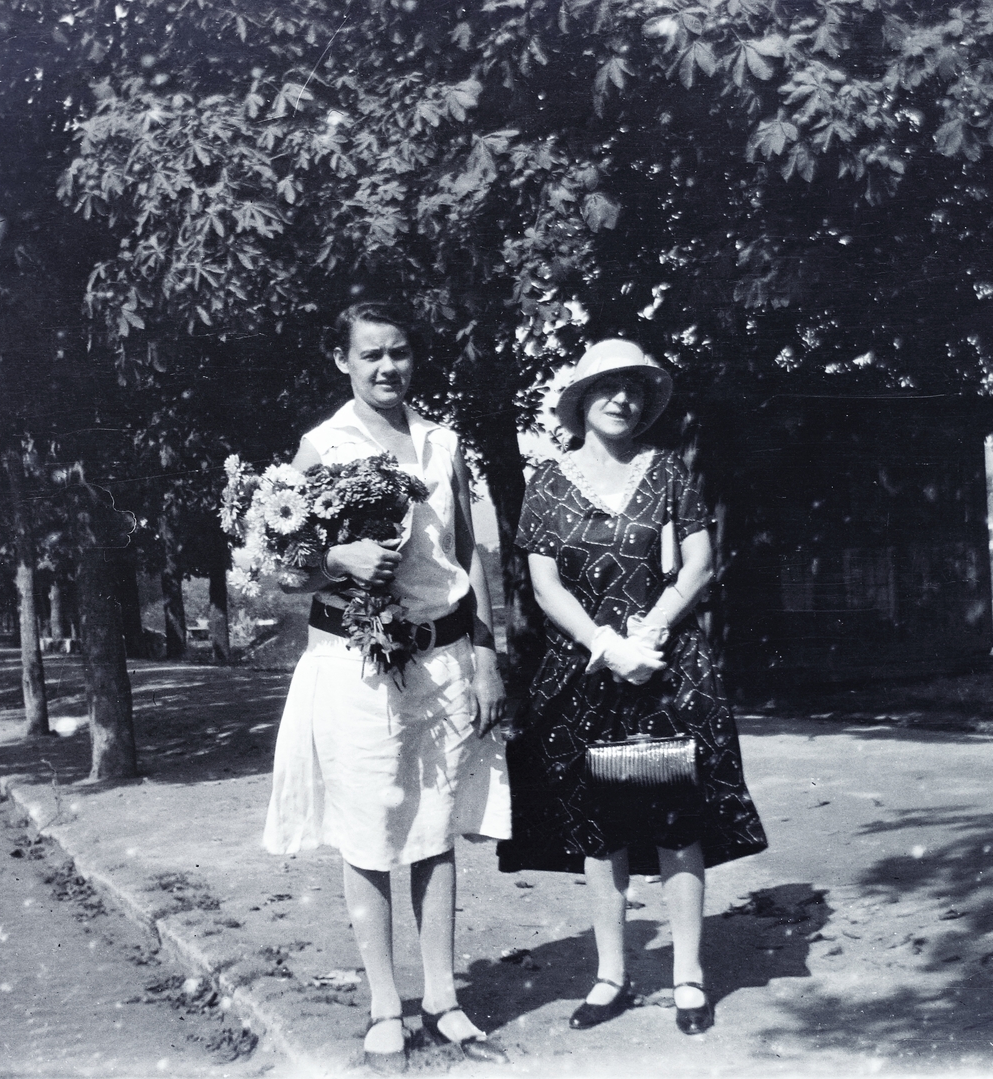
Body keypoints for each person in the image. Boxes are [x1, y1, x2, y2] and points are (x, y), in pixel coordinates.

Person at [261, 302, 511, 1071]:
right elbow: (279, 568)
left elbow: (473, 556)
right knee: (371, 834)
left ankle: (443, 997)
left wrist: (488, 653)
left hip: (440, 660)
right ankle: (383, 1005)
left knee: (436, 832)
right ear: (343, 361)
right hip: (356, 665)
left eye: (398, 354)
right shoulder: (321, 446)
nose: (385, 368)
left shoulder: (443, 443)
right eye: (369, 355)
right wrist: (340, 560)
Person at [498, 338, 768, 1036]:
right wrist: (604, 643)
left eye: (635, 389)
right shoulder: (548, 480)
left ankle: (687, 976)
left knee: (678, 821)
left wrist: (651, 630)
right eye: (608, 387)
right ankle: (611, 974)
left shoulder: (669, 470)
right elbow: (543, 582)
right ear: (581, 400)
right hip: (587, 673)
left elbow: (699, 560)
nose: (623, 399)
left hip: (668, 672)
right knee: (601, 827)